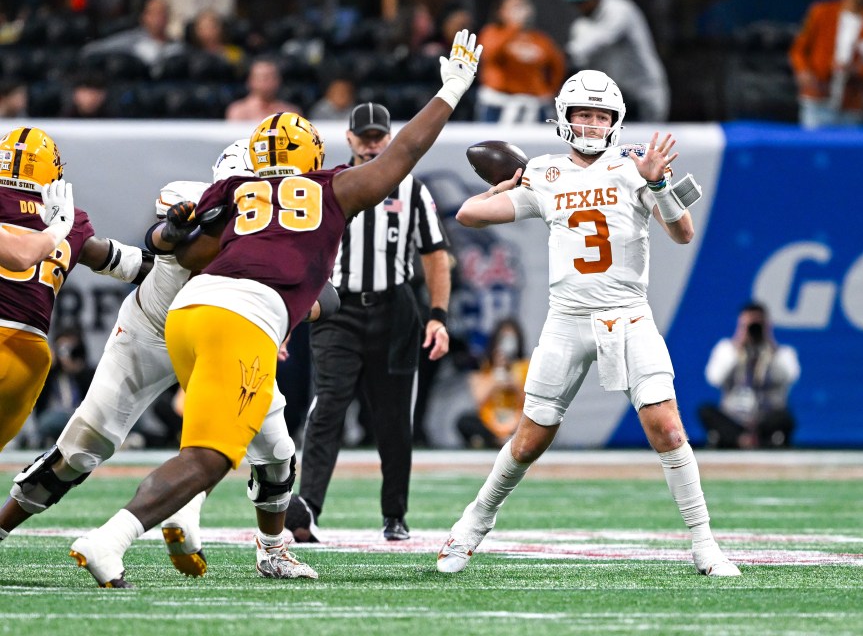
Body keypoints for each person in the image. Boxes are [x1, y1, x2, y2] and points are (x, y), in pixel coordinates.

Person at [67, 29, 482, 588]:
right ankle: (109, 539)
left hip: (190, 313)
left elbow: (178, 247)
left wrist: (173, 227)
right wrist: (452, 90)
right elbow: (405, 151)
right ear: (314, 158)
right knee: (210, 456)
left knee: (276, 449)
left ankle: (273, 547)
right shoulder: (333, 187)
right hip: (240, 319)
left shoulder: (234, 190)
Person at [436, 69, 740, 577]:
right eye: (584, 114)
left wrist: (659, 182)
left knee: (667, 427)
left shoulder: (634, 166)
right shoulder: (546, 172)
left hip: (628, 314)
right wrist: (511, 183)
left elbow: (684, 233)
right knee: (530, 438)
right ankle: (472, 524)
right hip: (567, 318)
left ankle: (705, 544)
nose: (594, 124)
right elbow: (467, 214)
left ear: (615, 121)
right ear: (565, 118)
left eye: (602, 115)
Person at [0, 141, 323, 582]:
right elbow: (161, 248)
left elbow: (328, 296)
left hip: (223, 336)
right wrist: (167, 233)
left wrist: (285, 311)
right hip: (152, 330)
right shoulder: (197, 202)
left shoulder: (287, 228)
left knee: (277, 455)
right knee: (80, 447)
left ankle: (272, 549)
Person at [284, 101, 452, 544]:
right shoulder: (330, 186)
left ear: (390, 136)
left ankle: (395, 514)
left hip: (396, 310)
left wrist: (438, 316)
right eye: (366, 135)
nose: (374, 142)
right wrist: (289, 314)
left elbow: (435, 254)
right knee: (328, 406)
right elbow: (303, 256)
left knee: (395, 419)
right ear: (350, 138)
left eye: (381, 135)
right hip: (337, 309)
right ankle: (308, 509)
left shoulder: (414, 189)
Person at [0, 126, 153, 455]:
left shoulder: (62, 223)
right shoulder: (72, 220)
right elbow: (119, 260)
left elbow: (20, 255)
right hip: (30, 355)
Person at [698, 302, 801, 449]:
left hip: (765, 419)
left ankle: (752, 439)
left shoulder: (782, 352)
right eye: (749, 325)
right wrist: (738, 345)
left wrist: (770, 346)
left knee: (785, 417)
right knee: (705, 410)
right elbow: (714, 378)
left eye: (758, 325)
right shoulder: (727, 349)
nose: (754, 329)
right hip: (735, 419)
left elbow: (790, 376)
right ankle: (743, 439)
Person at [789, 0, 863, 129]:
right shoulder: (821, 12)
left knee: (849, 147)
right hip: (817, 98)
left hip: (852, 104)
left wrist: (854, 71)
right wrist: (803, 72)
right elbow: (798, 50)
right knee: (814, 145)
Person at [565, 0, 669, 123]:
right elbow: (579, 62)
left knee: (643, 141)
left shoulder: (619, 9)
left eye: (583, 1)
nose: (581, 7)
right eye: (576, 3)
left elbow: (600, 39)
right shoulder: (581, 26)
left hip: (642, 95)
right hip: (613, 99)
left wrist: (564, 55)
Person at [474, 0, 565, 124]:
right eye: (515, 7)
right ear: (501, 12)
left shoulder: (539, 39)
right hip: (498, 103)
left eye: (524, 6)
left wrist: (549, 90)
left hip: (533, 103)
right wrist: (513, 27)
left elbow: (558, 66)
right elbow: (489, 55)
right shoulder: (492, 33)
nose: (521, 10)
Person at [456, 318, 529, 449]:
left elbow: (531, 402)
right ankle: (499, 440)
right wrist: (497, 373)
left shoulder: (526, 366)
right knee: (464, 422)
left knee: (540, 424)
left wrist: (514, 382)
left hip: (516, 421)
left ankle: (494, 441)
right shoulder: (484, 366)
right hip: (490, 422)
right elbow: (479, 398)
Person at [32, 327, 96, 446]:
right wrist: (49, 367)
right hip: (54, 416)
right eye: (63, 349)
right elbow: (38, 404)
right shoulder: (49, 373)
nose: (67, 354)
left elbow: (94, 401)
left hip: (81, 416)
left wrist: (77, 372)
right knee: (49, 421)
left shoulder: (87, 372)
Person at [82, 0, 184, 69]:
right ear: (143, 16)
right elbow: (91, 50)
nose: (158, 18)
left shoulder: (177, 46)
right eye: (153, 13)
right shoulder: (130, 40)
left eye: (162, 13)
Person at [224, 57, 302, 121]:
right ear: (250, 81)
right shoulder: (238, 111)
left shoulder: (291, 112)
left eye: (273, 77)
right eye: (263, 77)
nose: (269, 82)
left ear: (279, 80)